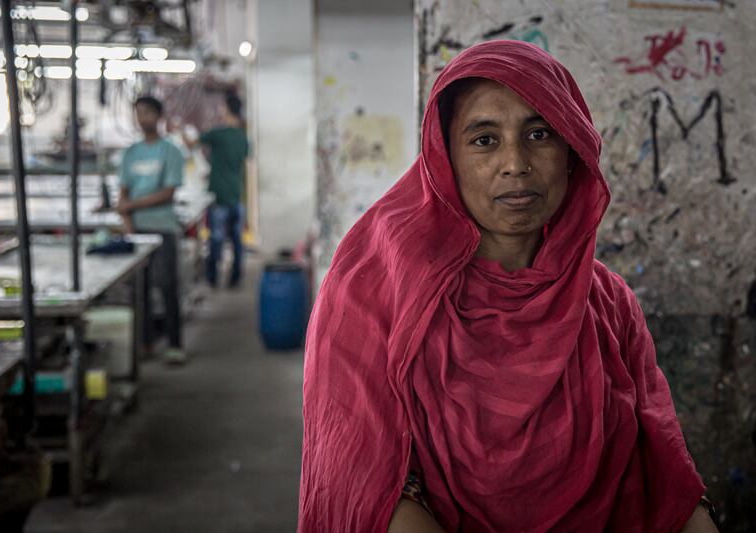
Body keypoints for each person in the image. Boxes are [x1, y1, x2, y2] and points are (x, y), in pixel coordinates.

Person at [298, 41, 717, 532]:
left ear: (571, 153)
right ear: (444, 160)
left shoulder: (607, 303)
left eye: (539, 133)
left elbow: (668, 475)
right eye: (484, 140)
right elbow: (364, 484)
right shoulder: (372, 295)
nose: (516, 163)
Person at [117, 95, 186, 363]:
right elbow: (122, 193)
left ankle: (174, 344)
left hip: (163, 228)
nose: (141, 118)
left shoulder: (170, 151)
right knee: (140, 290)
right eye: (138, 113)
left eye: (146, 112)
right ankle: (145, 343)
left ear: (158, 116)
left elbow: (168, 193)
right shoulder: (130, 154)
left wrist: (131, 204)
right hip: (137, 230)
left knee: (168, 286)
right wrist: (127, 222)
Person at [191, 92, 249, 288]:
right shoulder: (243, 138)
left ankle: (212, 278)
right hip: (236, 195)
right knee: (237, 240)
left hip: (218, 196)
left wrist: (179, 130)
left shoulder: (218, 134)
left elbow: (192, 143)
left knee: (216, 239)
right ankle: (235, 278)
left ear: (226, 109)